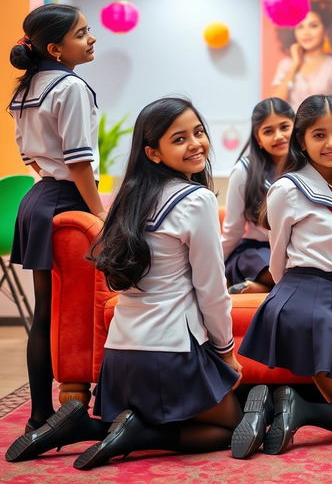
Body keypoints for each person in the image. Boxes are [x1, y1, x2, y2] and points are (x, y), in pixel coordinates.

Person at [7, 98, 244, 467]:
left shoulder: (128, 197)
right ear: (153, 152)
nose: (196, 144)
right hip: (171, 353)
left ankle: (82, 425)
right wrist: (226, 350)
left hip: (120, 357)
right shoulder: (196, 200)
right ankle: (136, 434)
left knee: (174, 414)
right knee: (230, 427)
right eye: (179, 139)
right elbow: (212, 290)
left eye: (198, 132)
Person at [231, 94, 332, 458]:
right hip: (304, 296)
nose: (331, 143)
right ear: (302, 140)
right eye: (319, 135)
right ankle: (297, 407)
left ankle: (282, 406)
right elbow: (278, 259)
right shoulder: (287, 189)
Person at [6, 4, 106, 436]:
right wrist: (101, 215)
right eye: (82, 33)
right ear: (55, 48)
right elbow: (80, 162)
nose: (92, 38)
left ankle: (39, 415)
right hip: (66, 201)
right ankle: (77, 404)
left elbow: (28, 155)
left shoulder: (25, 89)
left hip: (38, 198)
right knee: (77, 311)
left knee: (47, 312)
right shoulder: (71, 87)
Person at [222, 98, 294, 294]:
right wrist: (213, 268)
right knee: (281, 269)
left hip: (297, 251)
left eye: (284, 127)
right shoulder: (244, 171)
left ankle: (260, 288)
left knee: (302, 267)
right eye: (268, 131)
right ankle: (268, 283)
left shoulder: (309, 169)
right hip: (257, 252)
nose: (278, 136)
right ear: (258, 138)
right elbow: (232, 230)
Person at [270, 0, 332, 110]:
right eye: (300, 27)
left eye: (313, 26)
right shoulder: (286, 65)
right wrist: (295, 65)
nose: (306, 33)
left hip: (323, 127)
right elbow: (275, 105)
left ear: (325, 30)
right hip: (291, 126)